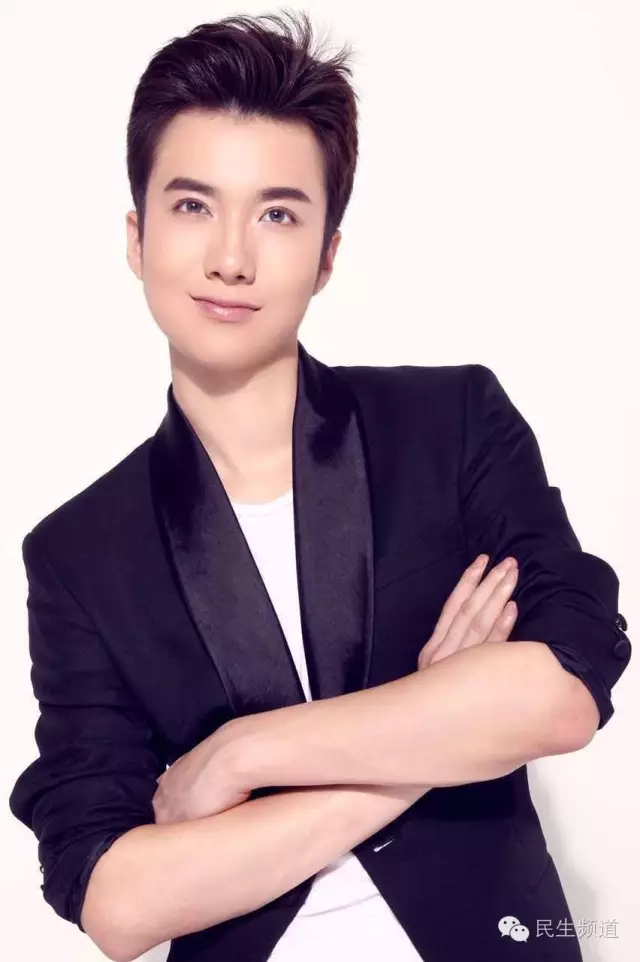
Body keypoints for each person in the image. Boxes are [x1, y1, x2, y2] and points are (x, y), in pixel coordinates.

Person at [8, 11, 631, 962]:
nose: (230, 257)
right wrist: (436, 719)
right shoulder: (81, 553)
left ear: (328, 253)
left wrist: (242, 753)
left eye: (278, 214)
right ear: (136, 238)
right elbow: (115, 901)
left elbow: (563, 691)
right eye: (192, 206)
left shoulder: (451, 424)